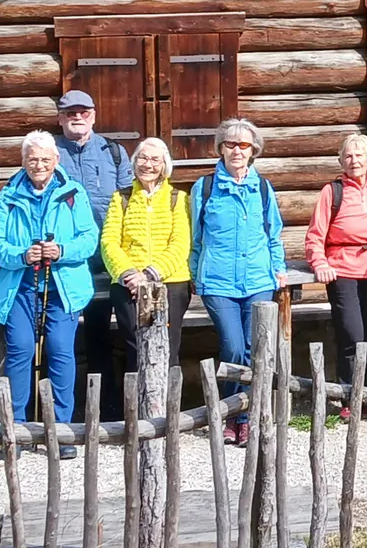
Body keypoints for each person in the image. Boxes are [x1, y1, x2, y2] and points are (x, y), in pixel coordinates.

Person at [0, 131, 99, 450]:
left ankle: (61, 429)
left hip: (62, 286)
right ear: (23, 161)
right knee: (19, 349)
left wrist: (61, 250)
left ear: (56, 161)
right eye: (32, 159)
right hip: (19, 285)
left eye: (45, 159)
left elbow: (89, 239)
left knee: (61, 350)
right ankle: (15, 427)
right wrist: (22, 255)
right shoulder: (8, 195)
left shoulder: (73, 192)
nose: (39, 165)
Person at [189, 118, 285, 446]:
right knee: (232, 346)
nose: (236, 150)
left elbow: (273, 233)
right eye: (230, 144)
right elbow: (195, 239)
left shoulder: (263, 188)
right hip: (217, 283)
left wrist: (279, 268)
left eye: (243, 145)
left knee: (254, 348)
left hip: (258, 279)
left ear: (253, 150)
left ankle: (245, 419)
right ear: (220, 148)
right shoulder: (203, 188)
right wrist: (193, 275)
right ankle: (232, 413)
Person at [52, 90, 133, 420]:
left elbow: (130, 203)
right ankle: (66, 410)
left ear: (94, 116)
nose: (77, 117)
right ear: (60, 118)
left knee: (113, 333)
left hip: (110, 260)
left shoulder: (114, 153)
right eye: (70, 112)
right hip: (68, 263)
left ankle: (113, 408)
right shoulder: (50, 152)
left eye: (83, 112)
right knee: (66, 338)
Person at [304, 134, 367, 417]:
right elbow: (315, 235)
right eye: (349, 156)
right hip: (342, 270)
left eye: (359, 155)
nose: (354, 160)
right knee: (352, 334)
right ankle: (351, 398)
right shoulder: (333, 191)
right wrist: (319, 263)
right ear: (341, 161)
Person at [100, 136, 194, 364]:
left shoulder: (178, 199)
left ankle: (169, 400)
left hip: (171, 282)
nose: (148, 165)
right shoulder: (120, 198)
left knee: (168, 347)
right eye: (143, 158)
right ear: (134, 163)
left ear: (164, 166)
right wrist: (129, 275)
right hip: (128, 284)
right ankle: (137, 399)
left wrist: (149, 275)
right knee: (135, 347)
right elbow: (109, 242)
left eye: (155, 160)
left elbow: (181, 244)